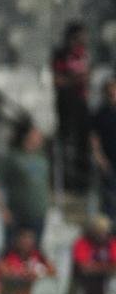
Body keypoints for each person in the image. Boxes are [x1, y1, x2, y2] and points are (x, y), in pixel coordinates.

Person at [0, 120, 50, 251]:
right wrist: (2, 209)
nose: (40, 137)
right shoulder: (12, 158)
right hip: (17, 216)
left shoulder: (42, 157)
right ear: (27, 136)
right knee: (12, 254)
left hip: (38, 215)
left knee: (34, 256)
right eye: (36, 134)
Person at [51, 22, 91, 192]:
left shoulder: (84, 54)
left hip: (81, 102)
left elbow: (87, 76)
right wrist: (75, 80)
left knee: (84, 141)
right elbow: (58, 80)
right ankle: (65, 181)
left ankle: (83, 182)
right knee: (66, 141)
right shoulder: (62, 54)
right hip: (66, 103)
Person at [0, 228, 56, 294]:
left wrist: (38, 274)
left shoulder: (38, 255)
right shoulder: (9, 256)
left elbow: (53, 271)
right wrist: (20, 274)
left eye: (30, 239)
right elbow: (3, 272)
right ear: (18, 241)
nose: (27, 242)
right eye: (24, 238)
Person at [69, 215, 115, 294]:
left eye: (104, 231)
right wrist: (106, 267)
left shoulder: (111, 243)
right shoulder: (82, 243)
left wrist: (96, 267)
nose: (101, 235)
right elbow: (84, 268)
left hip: (104, 280)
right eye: (98, 231)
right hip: (82, 280)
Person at [92, 77, 116, 222]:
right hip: (109, 161)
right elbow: (94, 138)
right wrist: (99, 158)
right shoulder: (101, 113)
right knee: (109, 197)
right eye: (110, 92)